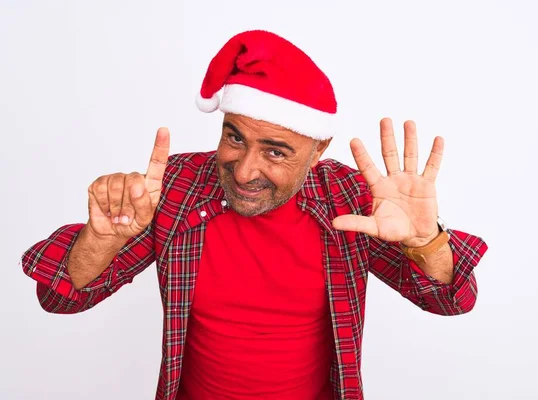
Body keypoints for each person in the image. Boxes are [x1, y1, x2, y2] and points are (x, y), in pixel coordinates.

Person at [21, 30, 488, 400]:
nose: (245, 171)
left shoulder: (350, 197)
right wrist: (102, 238)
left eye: (276, 152)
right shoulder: (177, 187)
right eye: (235, 137)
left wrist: (426, 242)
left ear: (318, 149)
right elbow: (61, 299)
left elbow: (452, 300)